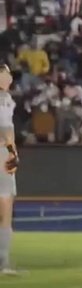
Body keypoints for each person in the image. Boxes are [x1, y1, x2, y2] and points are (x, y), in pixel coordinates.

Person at [0, 65, 18, 276]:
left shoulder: (8, 99)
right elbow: (5, 129)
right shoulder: (4, 100)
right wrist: (12, 152)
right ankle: (3, 262)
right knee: (6, 203)